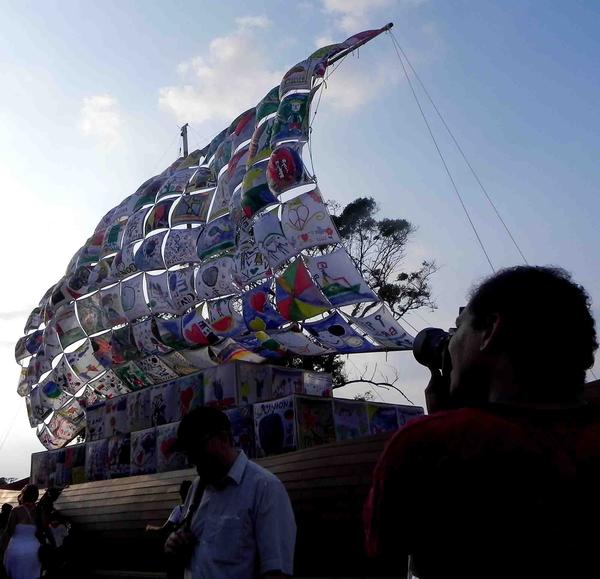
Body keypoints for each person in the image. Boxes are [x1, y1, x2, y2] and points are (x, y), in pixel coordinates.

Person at [364, 266, 599, 579]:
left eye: (458, 329)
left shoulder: (428, 445)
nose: (450, 346)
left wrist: (442, 426)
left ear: (490, 329)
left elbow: (384, 555)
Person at [165, 406, 296, 578]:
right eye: (188, 452)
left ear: (224, 439)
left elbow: (276, 571)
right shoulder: (197, 487)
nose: (192, 459)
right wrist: (174, 545)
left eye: (197, 448)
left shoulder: (265, 488)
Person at [146, 480, 192, 579]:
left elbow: (164, 529)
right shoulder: (196, 510)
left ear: (182, 494)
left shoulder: (179, 510)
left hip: (178, 554)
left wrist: (151, 528)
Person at [1, 484, 41, 579]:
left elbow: (9, 531)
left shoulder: (16, 511)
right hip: (34, 550)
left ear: (24, 495)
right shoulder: (39, 511)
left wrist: (2, 549)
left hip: (16, 549)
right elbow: (45, 530)